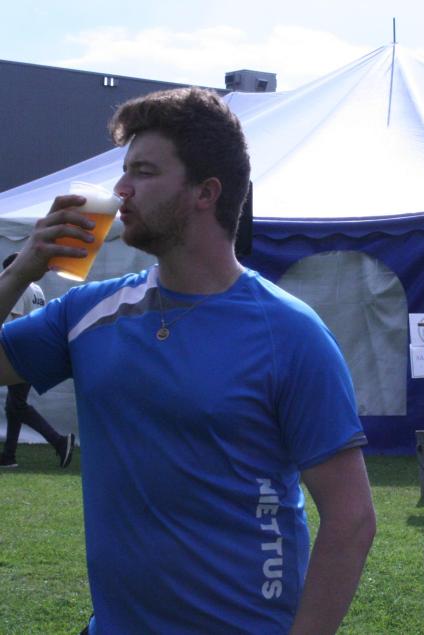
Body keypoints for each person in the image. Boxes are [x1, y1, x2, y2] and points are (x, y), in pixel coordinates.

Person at [0, 87, 375, 634]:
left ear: (205, 192)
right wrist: (19, 271)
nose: (120, 189)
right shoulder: (88, 313)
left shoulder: (289, 333)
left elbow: (351, 519)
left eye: (144, 172)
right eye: (124, 171)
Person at [0, 252, 74, 468]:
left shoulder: (20, 287)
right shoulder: (37, 290)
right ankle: (9, 456)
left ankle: (59, 442)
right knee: (14, 405)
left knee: (17, 405)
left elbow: (15, 321)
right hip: (35, 351)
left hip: (18, 351)